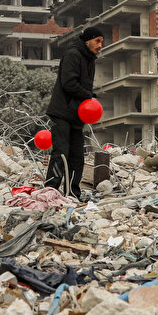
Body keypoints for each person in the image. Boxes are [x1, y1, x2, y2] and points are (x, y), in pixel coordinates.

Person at [44, 26, 104, 198]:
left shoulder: (90, 59)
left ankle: (72, 193)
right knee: (61, 153)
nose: (100, 45)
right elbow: (68, 83)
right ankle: (51, 191)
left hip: (77, 114)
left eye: (102, 42)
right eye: (97, 41)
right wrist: (89, 96)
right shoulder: (73, 54)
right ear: (87, 40)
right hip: (62, 111)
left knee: (77, 155)